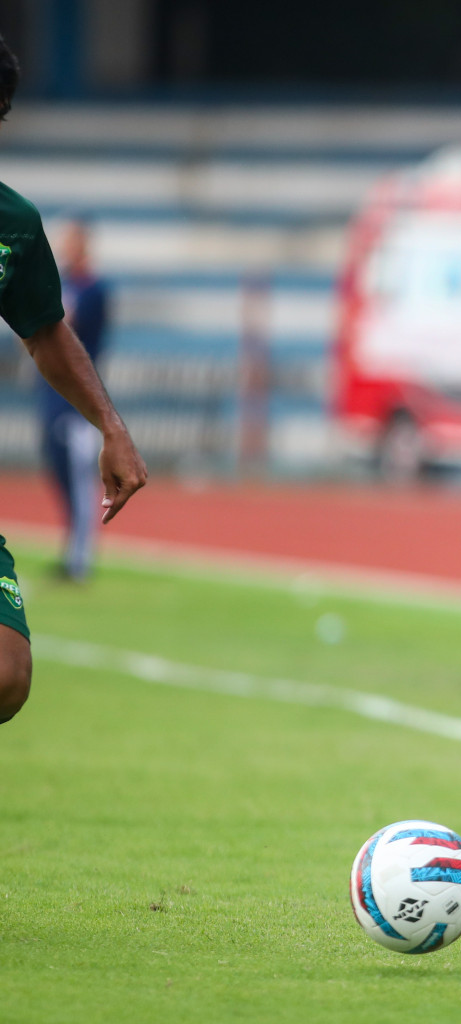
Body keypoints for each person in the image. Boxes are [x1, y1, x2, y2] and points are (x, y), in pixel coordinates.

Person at [0, 35, 147, 725]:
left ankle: (78, 554)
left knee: (7, 673)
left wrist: (111, 427)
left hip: (61, 412)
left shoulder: (14, 225)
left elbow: (46, 330)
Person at [40, 218, 111, 581]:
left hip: (77, 400)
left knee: (80, 479)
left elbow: (74, 332)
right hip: (53, 396)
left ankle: (80, 559)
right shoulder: (62, 283)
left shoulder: (94, 288)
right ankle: (72, 547)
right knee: (59, 473)